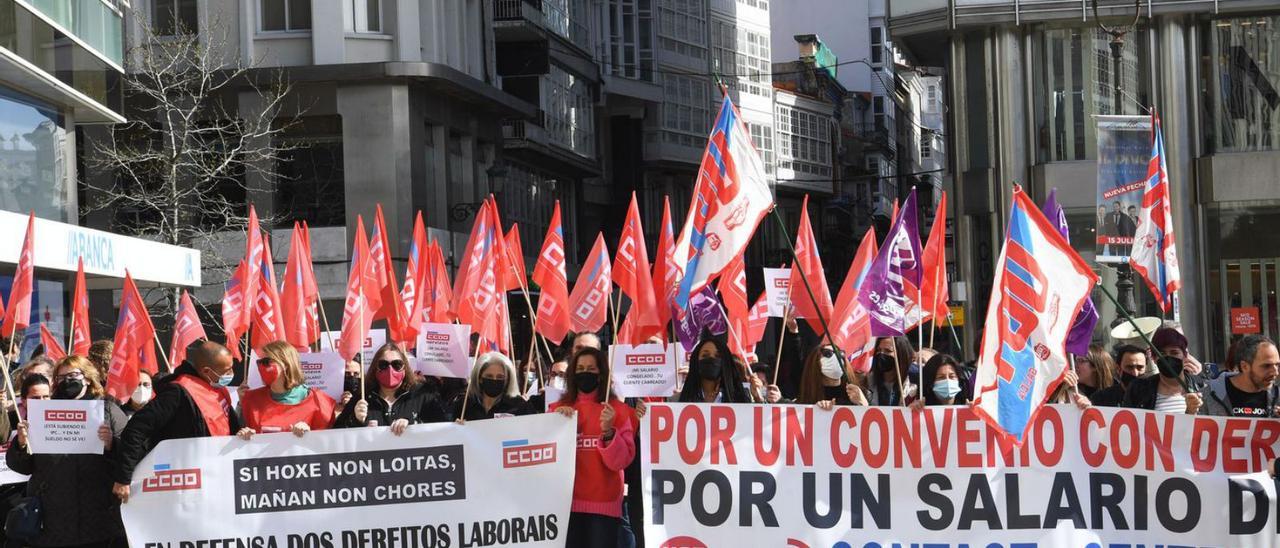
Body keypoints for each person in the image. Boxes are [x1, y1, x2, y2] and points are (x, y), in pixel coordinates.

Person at [9, 355, 127, 548]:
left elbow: (128, 459)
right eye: (61, 378)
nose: (67, 382)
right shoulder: (43, 413)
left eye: (72, 375)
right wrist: (21, 444)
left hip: (97, 520)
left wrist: (111, 445)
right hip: (54, 521)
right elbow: (22, 466)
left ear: (87, 378)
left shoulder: (108, 411)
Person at [112, 341, 240, 503]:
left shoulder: (218, 389)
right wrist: (124, 478)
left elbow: (231, 425)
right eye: (226, 370)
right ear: (206, 371)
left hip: (215, 476)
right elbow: (136, 429)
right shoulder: (178, 392)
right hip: (184, 483)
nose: (231, 373)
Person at [549, 347, 635, 545]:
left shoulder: (618, 411)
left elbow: (622, 461)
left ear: (601, 374)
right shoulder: (556, 410)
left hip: (603, 508)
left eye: (591, 369)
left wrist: (609, 432)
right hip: (565, 506)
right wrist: (555, 424)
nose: (584, 373)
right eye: (580, 368)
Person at [335, 343, 448, 432]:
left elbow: (445, 429)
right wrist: (355, 420)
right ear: (375, 368)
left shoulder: (423, 395)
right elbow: (335, 436)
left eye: (396, 365)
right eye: (383, 365)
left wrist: (414, 425)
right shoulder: (362, 398)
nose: (390, 370)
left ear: (405, 367)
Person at [238, 341, 336, 438]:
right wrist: (244, 435)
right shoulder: (252, 400)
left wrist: (310, 435)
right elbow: (238, 436)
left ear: (286, 364)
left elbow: (329, 443)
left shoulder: (319, 402)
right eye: (259, 362)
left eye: (266, 362)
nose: (261, 366)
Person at [1200, 334, 1280, 417]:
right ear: (1244, 366)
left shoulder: (1277, 397)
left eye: (1277, 365)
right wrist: (1191, 412)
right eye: (1266, 366)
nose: (1275, 372)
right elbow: (1191, 427)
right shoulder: (1208, 395)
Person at [1120, 345, 1204, 414]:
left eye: (1174, 353)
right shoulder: (1139, 389)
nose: (1168, 358)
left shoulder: (1202, 387)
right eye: (1162, 353)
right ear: (1154, 358)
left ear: (1185, 356)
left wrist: (1191, 413)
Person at [453, 352, 532, 421]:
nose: (494, 380)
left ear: (507, 379)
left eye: (500, 377)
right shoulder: (464, 404)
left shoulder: (519, 405)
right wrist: (456, 428)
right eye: (489, 376)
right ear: (479, 378)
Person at [677, 338, 753, 403]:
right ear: (696, 361)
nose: (711, 359)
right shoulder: (679, 400)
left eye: (718, 356)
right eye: (705, 355)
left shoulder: (740, 399)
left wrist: (759, 399)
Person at [798, 345, 866, 408]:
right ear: (815, 362)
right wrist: (815, 411)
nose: (836, 357)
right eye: (828, 353)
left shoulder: (861, 393)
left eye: (840, 354)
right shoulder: (804, 401)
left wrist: (863, 404)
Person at [865, 337, 916, 406]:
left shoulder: (914, 385)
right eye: (879, 350)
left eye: (888, 351)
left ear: (901, 354)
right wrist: (863, 403)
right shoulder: (867, 382)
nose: (881, 354)